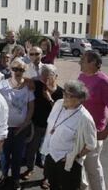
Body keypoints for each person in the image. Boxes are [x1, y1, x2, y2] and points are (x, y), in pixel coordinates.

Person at [41, 81, 97, 190]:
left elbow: (91, 144)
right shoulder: (58, 104)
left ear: (79, 99)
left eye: (69, 96)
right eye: (64, 93)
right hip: (51, 155)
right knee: (53, 186)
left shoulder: (84, 118)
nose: (65, 97)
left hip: (67, 162)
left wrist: (75, 156)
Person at [21, 64, 63, 188]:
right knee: (32, 149)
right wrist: (32, 79)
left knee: (49, 153)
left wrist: (49, 98)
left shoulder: (61, 92)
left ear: (56, 76)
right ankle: (30, 169)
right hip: (37, 125)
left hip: (52, 129)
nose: (45, 77)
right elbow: (22, 79)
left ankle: (47, 177)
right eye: (43, 74)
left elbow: (60, 112)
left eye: (48, 74)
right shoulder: (38, 85)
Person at [0, 57, 35, 190]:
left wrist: (25, 123)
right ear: (10, 69)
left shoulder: (28, 87)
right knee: (4, 155)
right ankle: (4, 175)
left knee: (17, 156)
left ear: (25, 71)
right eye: (15, 69)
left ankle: (16, 179)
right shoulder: (1, 85)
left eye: (21, 69)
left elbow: (31, 107)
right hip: (4, 128)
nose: (17, 72)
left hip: (21, 128)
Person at [78, 50, 108, 190]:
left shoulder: (103, 81)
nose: (80, 62)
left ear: (94, 63)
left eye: (83, 60)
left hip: (95, 131)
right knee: (78, 164)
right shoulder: (81, 76)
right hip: (79, 129)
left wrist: (106, 131)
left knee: (93, 167)